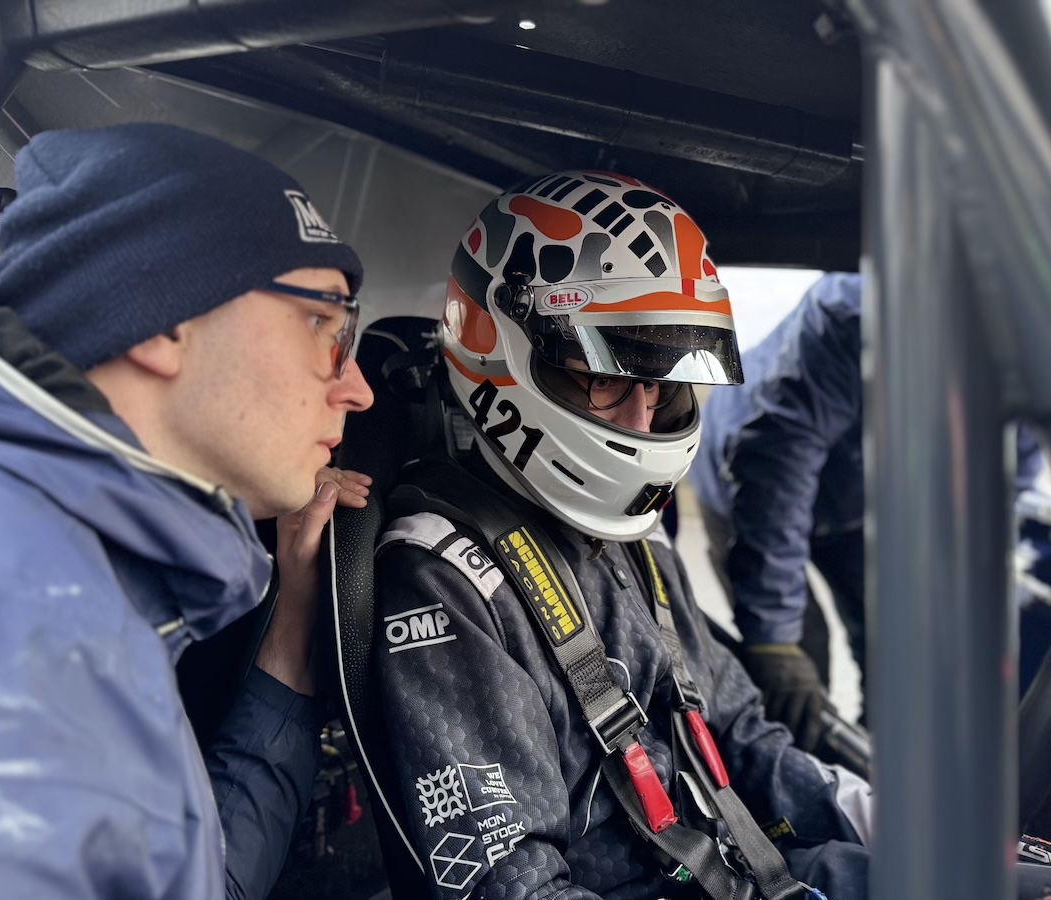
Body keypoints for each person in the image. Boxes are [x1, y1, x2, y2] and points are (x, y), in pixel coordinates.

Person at [370, 173, 873, 899]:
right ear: (500, 353)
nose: (642, 419)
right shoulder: (443, 577)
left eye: (662, 381)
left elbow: (741, 735)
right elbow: (516, 887)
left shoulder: (636, 534)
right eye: (606, 376)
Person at [0, 123, 374, 898]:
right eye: (323, 324)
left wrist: (290, 632)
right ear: (164, 320)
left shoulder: (68, 583)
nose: (356, 388)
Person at [688, 272, 1043, 749]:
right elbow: (779, 468)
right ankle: (801, 775)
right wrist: (773, 636)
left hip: (857, 502)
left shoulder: (1034, 369)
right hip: (745, 480)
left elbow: (1000, 491)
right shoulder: (851, 317)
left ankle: (879, 763)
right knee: (794, 663)